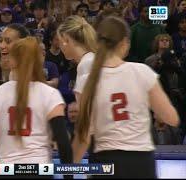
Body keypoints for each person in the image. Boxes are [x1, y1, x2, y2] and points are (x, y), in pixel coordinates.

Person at [73, 16, 179, 178]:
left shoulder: (87, 80)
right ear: (124, 43)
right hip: (141, 161)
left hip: (106, 162)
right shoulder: (142, 71)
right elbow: (171, 118)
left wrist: (70, 166)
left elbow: (84, 136)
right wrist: (157, 112)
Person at [0, 37, 72, 174]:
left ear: (12, 62)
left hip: (5, 169)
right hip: (39, 169)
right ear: (39, 60)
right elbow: (63, 143)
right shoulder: (50, 94)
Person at [57, 15, 97, 119]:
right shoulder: (90, 59)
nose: (59, 47)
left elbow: (89, 109)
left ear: (66, 39)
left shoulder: (86, 63)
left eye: (59, 41)